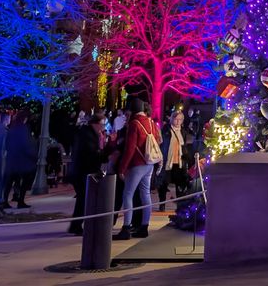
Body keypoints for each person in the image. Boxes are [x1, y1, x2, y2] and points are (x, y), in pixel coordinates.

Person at [114, 98, 159, 241]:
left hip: (137, 163)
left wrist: (122, 167)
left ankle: (126, 228)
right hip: (149, 162)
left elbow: (130, 148)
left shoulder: (134, 123)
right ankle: (144, 226)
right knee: (145, 194)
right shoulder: (151, 122)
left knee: (127, 194)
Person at [68, 110, 107, 236]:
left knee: (82, 199)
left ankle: (76, 225)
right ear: (95, 123)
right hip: (82, 172)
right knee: (83, 199)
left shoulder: (88, 133)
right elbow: (90, 154)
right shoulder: (87, 135)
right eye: (102, 124)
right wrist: (104, 155)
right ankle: (77, 225)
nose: (103, 127)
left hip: (83, 171)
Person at [3, 110, 38, 208]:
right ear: (25, 118)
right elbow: (26, 145)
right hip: (22, 160)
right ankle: (20, 200)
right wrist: (33, 156)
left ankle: (5, 201)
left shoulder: (12, 128)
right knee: (25, 179)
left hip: (12, 159)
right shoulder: (24, 129)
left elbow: (7, 144)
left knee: (10, 180)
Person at [156, 108, 187, 211]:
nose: (178, 121)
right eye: (176, 119)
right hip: (167, 160)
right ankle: (162, 204)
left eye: (180, 119)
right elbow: (162, 144)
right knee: (164, 184)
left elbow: (184, 146)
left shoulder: (183, 132)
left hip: (178, 162)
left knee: (180, 184)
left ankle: (180, 206)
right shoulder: (166, 130)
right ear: (172, 119)